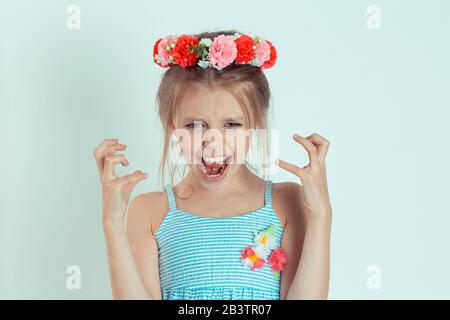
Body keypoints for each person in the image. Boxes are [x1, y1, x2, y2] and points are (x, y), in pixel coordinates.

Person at [93, 30, 332, 300]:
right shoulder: (150, 211)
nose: (212, 141)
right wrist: (112, 222)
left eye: (232, 125)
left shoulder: (286, 202)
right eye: (194, 125)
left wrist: (321, 215)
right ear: (172, 126)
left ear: (256, 125)